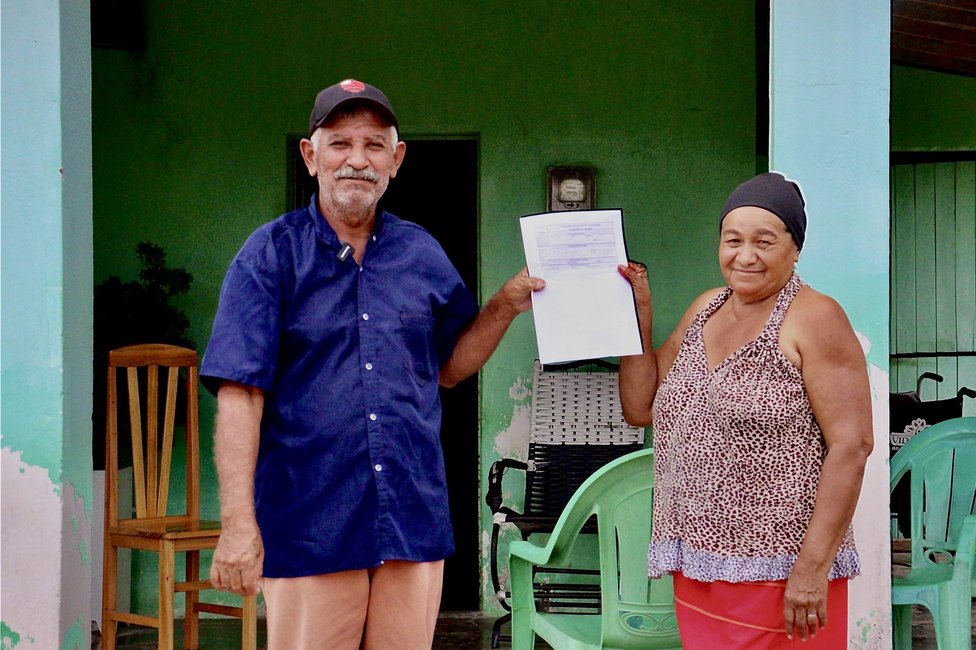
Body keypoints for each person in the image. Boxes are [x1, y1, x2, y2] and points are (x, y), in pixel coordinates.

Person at [200, 79, 544, 650]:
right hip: (310, 519)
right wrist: (238, 524)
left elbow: (450, 368)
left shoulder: (421, 253)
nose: (357, 160)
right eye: (340, 144)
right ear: (311, 156)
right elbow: (241, 394)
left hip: (409, 514)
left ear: (396, 159)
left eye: (374, 145)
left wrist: (505, 307)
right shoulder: (269, 255)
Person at [618, 172, 873, 648]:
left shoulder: (814, 317)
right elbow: (641, 406)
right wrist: (636, 312)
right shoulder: (707, 309)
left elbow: (852, 446)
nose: (746, 255)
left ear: (795, 249)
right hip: (699, 564)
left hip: (781, 570)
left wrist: (812, 569)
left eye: (765, 241)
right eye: (732, 240)